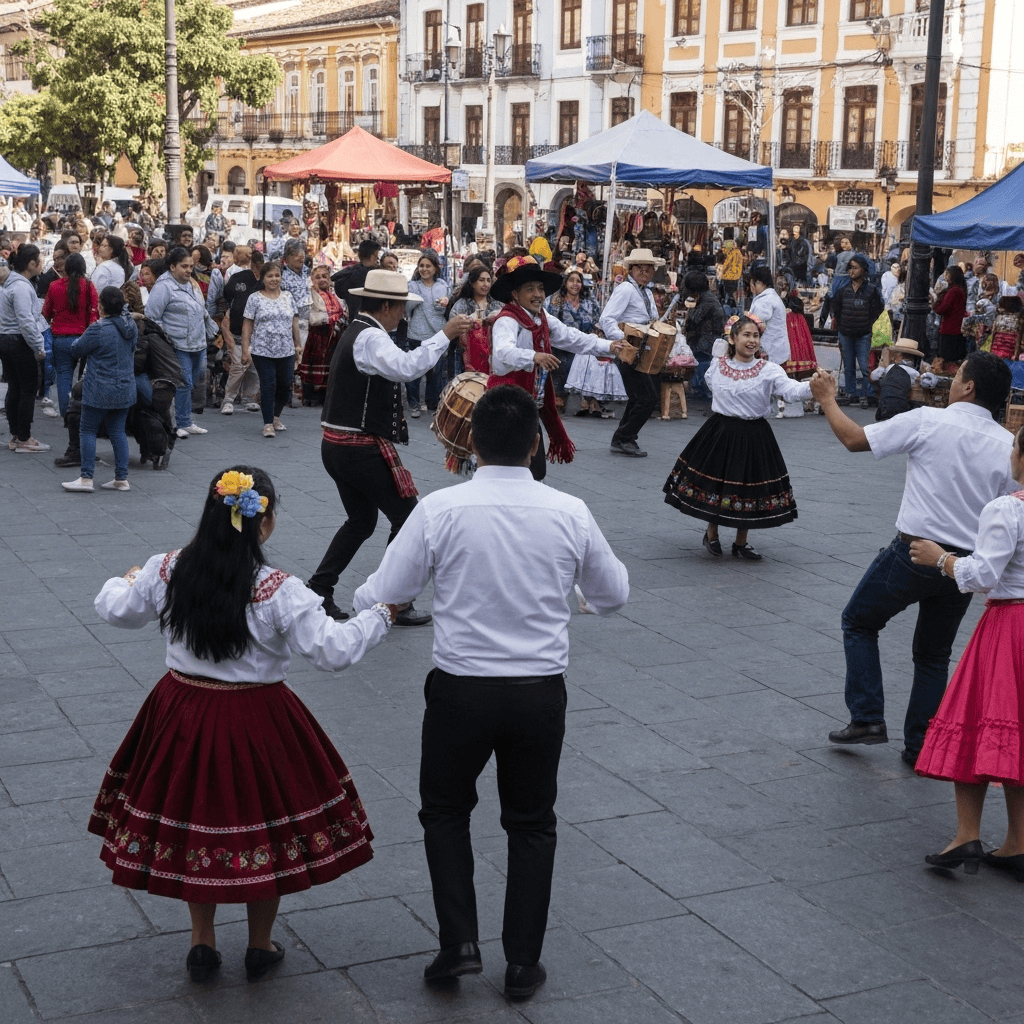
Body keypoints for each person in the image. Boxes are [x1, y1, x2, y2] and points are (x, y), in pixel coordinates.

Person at [352, 384, 629, 999]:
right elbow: (614, 594)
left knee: (445, 811)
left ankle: (459, 943)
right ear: (535, 442)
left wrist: (364, 605)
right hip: (538, 692)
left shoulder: (442, 510)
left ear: (471, 441)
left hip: (460, 689)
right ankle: (524, 962)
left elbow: (386, 588)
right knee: (532, 823)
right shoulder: (570, 511)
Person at [86, 466, 397, 984]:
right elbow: (334, 649)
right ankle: (259, 943)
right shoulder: (277, 589)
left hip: (181, 710)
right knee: (267, 826)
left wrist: (126, 577)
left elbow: (117, 611)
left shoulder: (168, 569)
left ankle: (201, 943)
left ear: (211, 512)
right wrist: (381, 615)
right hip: (257, 717)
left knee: (191, 820)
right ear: (264, 522)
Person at [808, 351, 1015, 767]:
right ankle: (920, 743)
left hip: (916, 551)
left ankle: (867, 716)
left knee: (859, 620)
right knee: (934, 654)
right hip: (962, 565)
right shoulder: (1008, 445)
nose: (951, 380)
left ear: (968, 386)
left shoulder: (929, 421)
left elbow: (854, 439)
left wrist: (828, 399)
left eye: (956, 375)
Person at [306, 269, 476, 624]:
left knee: (361, 521)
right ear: (385, 305)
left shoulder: (361, 331)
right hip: (358, 448)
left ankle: (320, 590)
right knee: (408, 519)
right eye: (401, 307)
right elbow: (407, 367)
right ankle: (390, 599)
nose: (404, 314)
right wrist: (443, 335)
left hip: (338, 445)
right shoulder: (371, 338)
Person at [907, 427, 1024, 876]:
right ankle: (1017, 841)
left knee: (974, 721)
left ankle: (967, 835)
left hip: (1009, 625)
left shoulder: (1006, 510)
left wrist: (940, 557)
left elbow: (983, 575)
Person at [663, 315, 812, 561]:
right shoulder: (718, 366)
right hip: (720, 432)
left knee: (749, 489)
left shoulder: (769, 370)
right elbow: (712, 384)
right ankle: (712, 533)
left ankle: (741, 542)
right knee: (717, 485)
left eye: (756, 336)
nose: (752, 340)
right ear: (732, 339)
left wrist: (813, 386)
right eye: (746, 335)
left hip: (754, 435)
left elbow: (791, 391)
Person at [489, 255, 620, 480]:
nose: (538, 295)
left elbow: (571, 337)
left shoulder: (542, 318)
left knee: (532, 468)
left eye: (540, 288)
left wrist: (609, 345)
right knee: (514, 468)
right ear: (515, 294)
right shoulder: (507, 320)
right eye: (530, 289)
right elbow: (503, 351)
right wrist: (535, 356)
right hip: (506, 404)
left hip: (528, 403)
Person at [60, 286, 138, 492]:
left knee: (87, 429)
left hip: (99, 388)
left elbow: (76, 349)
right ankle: (121, 478)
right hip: (125, 387)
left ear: (101, 306)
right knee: (117, 431)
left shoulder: (98, 328)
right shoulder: (131, 327)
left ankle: (86, 477)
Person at [145, 246, 217, 440]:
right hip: (177, 344)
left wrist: (209, 326)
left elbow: (201, 309)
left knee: (193, 381)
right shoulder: (164, 286)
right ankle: (179, 423)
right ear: (172, 266)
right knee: (182, 382)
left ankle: (186, 420)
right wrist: (166, 338)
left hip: (198, 341)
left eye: (191, 266)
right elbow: (152, 317)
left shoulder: (191, 283)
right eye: (184, 266)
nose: (188, 270)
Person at [598, 248, 665, 457]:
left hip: (643, 351)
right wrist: (620, 342)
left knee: (639, 397)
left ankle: (622, 438)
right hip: (630, 350)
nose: (644, 271)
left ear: (653, 271)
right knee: (647, 398)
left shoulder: (645, 291)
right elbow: (606, 319)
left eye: (648, 268)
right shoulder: (626, 289)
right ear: (632, 269)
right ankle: (625, 437)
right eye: (640, 268)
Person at [241, 261, 299, 438]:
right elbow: (247, 324)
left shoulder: (288, 296)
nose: (274, 279)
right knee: (268, 384)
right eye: (270, 276)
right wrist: (245, 349)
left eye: (277, 275)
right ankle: (267, 424)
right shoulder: (255, 298)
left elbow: (294, 322)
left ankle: (275, 416)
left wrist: (298, 344)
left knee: (285, 384)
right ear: (263, 278)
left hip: (286, 349)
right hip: (262, 350)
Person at [0, 244, 50, 452]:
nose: (41, 266)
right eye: (39, 261)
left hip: (6, 340)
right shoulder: (20, 287)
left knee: (15, 387)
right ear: (31, 263)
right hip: (18, 342)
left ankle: (16, 435)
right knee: (27, 389)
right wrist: (38, 347)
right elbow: (26, 321)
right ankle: (23, 437)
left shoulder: (10, 284)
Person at [550, 270, 619, 417]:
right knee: (566, 361)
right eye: (571, 280)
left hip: (585, 342)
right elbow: (553, 325)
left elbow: (598, 321)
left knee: (594, 360)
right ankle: (562, 397)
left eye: (578, 281)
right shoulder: (557, 301)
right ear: (565, 283)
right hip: (565, 344)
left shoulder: (589, 301)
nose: (575, 284)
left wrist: (597, 332)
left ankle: (590, 399)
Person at [42, 252, 99, 418]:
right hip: (84, 339)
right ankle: (85, 412)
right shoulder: (89, 287)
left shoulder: (54, 286)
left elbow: (45, 313)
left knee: (64, 376)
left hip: (60, 339)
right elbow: (94, 317)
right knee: (86, 376)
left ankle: (66, 414)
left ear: (66, 268)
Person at [832, 254, 884, 409]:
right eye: (850, 268)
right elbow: (836, 309)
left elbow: (878, 309)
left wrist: (869, 325)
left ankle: (868, 394)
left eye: (855, 268)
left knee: (864, 366)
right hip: (846, 333)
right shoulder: (843, 290)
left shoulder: (871, 290)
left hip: (863, 334)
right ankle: (851, 393)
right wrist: (841, 327)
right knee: (848, 366)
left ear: (863, 270)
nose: (851, 271)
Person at [406, 251, 450, 415]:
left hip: (438, 332)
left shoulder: (442, 285)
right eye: (422, 266)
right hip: (417, 332)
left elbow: (443, 310)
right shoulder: (413, 286)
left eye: (428, 266)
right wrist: (414, 298)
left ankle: (433, 404)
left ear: (435, 268)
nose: (424, 269)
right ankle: (414, 403)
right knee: (415, 370)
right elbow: (407, 309)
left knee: (436, 372)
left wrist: (444, 304)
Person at [300, 264, 346, 407]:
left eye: (324, 276)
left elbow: (343, 311)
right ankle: (311, 396)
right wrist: (329, 319)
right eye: (317, 277)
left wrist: (341, 319)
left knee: (331, 366)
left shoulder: (335, 295)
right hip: (317, 338)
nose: (322, 280)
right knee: (315, 366)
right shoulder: (310, 296)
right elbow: (310, 317)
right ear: (312, 280)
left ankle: (326, 396)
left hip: (333, 338)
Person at [332, 238, 380, 316]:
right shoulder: (372, 275)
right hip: (367, 318)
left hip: (353, 318)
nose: (377, 260)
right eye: (377, 256)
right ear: (373, 256)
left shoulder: (348, 273)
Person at [932, 264, 968, 364]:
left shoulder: (954, 291)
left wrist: (934, 304)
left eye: (947, 274)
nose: (945, 277)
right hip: (956, 327)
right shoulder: (960, 290)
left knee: (947, 359)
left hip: (950, 328)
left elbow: (943, 308)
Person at [281, 239, 311, 353]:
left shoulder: (308, 272)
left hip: (311, 321)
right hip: (293, 324)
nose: (300, 257)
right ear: (287, 259)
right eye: (296, 255)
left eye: (302, 254)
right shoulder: (282, 277)